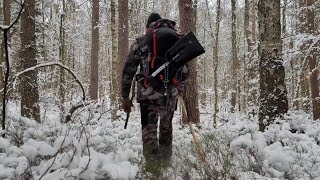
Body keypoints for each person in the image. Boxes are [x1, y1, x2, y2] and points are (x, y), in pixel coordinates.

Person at [121, 13, 189, 172]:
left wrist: (125, 96)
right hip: (170, 94)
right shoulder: (176, 41)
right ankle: (165, 167)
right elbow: (185, 70)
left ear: (148, 27)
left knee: (149, 131)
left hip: (147, 95)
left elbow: (129, 69)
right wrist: (179, 89)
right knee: (166, 128)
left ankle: (153, 170)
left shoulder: (141, 42)